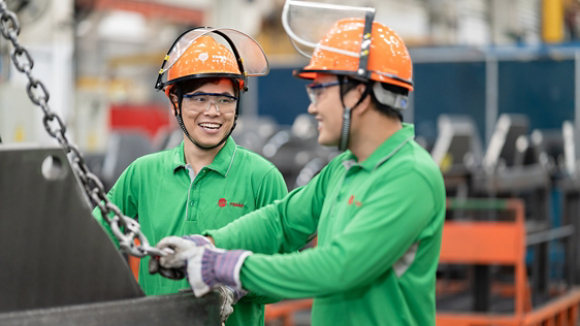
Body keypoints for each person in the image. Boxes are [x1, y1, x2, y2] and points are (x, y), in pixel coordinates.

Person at [150, 9, 446, 326]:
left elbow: (338, 267)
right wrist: (209, 243)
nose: (311, 106)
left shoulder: (409, 176)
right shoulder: (345, 168)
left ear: (358, 92)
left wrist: (227, 266)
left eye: (319, 89)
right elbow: (281, 221)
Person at [93, 28, 287, 326]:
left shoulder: (261, 178)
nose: (213, 112)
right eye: (199, 99)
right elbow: (94, 240)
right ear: (175, 102)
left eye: (225, 100)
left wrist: (234, 286)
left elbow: (284, 272)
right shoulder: (142, 174)